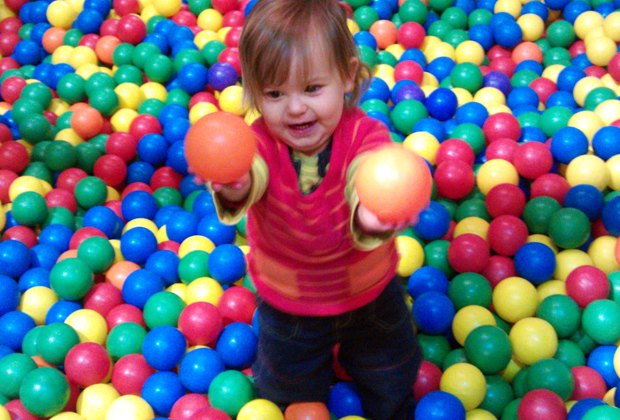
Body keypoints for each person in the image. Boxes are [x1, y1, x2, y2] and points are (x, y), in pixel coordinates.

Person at [207, 0, 422, 417]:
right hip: (290, 302)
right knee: (287, 381)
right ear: (254, 91)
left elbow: (371, 173)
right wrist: (235, 182)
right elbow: (252, 176)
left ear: (346, 74)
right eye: (274, 93)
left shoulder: (365, 135)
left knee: (392, 368)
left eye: (311, 88)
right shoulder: (258, 143)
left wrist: (370, 214)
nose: (294, 107)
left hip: (369, 291)